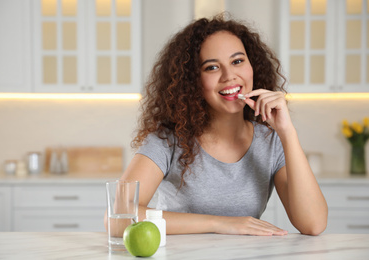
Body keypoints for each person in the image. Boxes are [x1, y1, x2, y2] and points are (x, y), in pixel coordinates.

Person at [106, 14, 328, 236]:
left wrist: (287, 132)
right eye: (212, 67)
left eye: (238, 61)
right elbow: (117, 217)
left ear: (253, 67)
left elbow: (313, 224)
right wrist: (221, 224)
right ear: (192, 80)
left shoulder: (271, 141)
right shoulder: (168, 140)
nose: (230, 76)